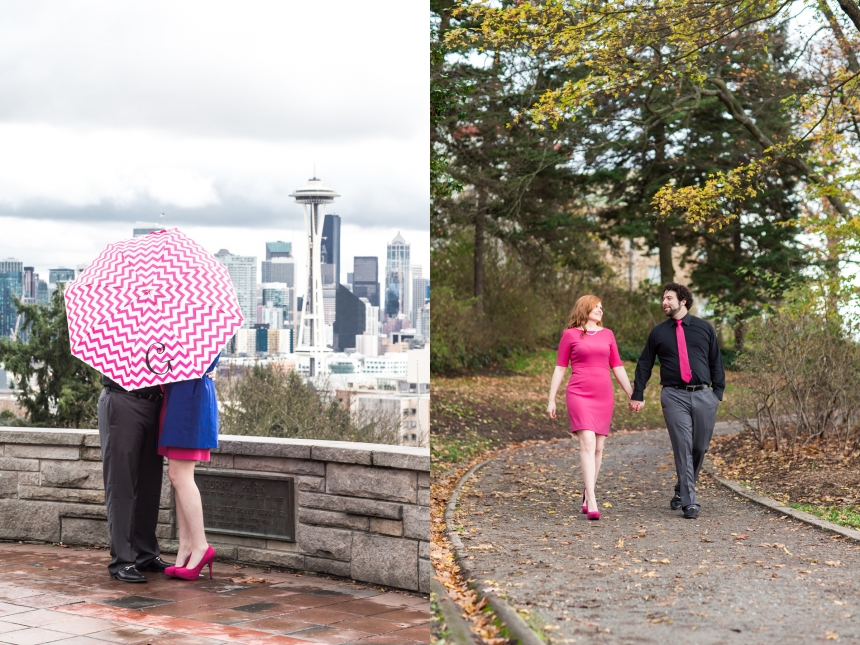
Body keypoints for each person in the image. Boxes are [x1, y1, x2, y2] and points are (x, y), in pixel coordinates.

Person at [629, 283, 725, 520]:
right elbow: (644, 364)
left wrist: (717, 394)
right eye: (663, 298)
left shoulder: (704, 329)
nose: (664, 302)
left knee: (699, 448)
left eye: (669, 298)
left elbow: (716, 362)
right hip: (674, 396)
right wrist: (638, 392)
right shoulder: (658, 333)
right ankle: (690, 502)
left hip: (704, 394)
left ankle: (681, 489)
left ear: (683, 301)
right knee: (682, 446)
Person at [547, 295, 633, 520]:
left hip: (604, 395)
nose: (600, 311)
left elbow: (618, 366)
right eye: (596, 307)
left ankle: (588, 491)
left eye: (601, 308)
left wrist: (632, 394)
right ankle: (593, 499)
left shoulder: (608, 335)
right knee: (587, 442)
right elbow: (559, 368)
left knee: (598, 448)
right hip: (579, 393)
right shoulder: (570, 335)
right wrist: (551, 398)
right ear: (584, 309)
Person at [98, 377, 173, 582]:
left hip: (154, 403)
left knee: (150, 483)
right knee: (121, 483)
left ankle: (145, 553)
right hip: (123, 400)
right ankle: (122, 561)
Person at [159, 354, 220, 580]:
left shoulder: (202, 322)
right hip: (179, 397)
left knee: (179, 475)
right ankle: (185, 547)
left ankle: (201, 547)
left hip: (189, 399)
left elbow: (206, 358)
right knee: (177, 475)